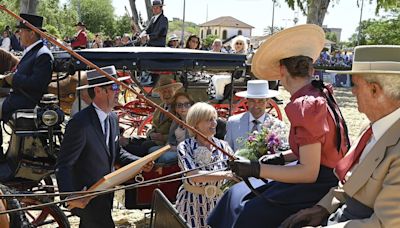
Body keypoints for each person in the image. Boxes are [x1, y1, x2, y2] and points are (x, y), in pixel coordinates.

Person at [208, 24, 350, 227]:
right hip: (325, 175)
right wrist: (282, 157)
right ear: (311, 69)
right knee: (237, 192)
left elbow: (308, 172)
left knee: (246, 209)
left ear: (282, 70)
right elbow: (318, 147)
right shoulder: (320, 94)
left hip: (319, 183)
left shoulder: (305, 105)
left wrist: (257, 169)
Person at [281, 45, 400, 227]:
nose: (352, 92)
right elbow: (351, 183)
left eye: (355, 84)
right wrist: (322, 208)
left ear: (374, 90)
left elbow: (385, 224)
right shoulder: (371, 127)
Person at [55, 66, 153, 227]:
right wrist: (69, 196)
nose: (119, 91)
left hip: (106, 194)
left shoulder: (113, 118)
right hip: (86, 196)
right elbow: (63, 164)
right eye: (114, 87)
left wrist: (141, 162)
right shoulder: (80, 123)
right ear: (99, 90)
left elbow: (116, 152)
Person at [175, 102, 235, 228]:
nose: (214, 123)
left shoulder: (224, 146)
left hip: (217, 204)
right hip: (192, 204)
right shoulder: (185, 147)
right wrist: (226, 175)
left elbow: (236, 170)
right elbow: (194, 176)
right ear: (196, 124)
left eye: (214, 119)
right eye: (209, 120)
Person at [0, 14, 54, 123]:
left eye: (21, 31)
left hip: (25, 101)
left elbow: (38, 83)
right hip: (18, 97)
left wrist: (13, 79)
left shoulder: (43, 54)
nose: (19, 34)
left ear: (32, 33)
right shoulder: (32, 52)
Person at [123, 78, 182, 156]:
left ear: (175, 92)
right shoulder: (160, 107)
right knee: (133, 140)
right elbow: (153, 126)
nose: (166, 94)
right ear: (159, 94)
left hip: (167, 143)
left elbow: (180, 134)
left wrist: (162, 137)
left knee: (143, 146)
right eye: (163, 92)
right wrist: (151, 134)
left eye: (170, 91)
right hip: (154, 139)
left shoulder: (179, 109)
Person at [225, 80, 279, 152]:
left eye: (260, 101)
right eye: (252, 101)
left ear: (267, 101)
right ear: (246, 101)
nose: (256, 105)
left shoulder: (277, 126)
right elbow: (227, 151)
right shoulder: (232, 123)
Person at [147, 92, 194, 165]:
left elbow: (193, 145)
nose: (183, 108)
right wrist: (168, 146)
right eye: (179, 105)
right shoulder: (176, 120)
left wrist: (175, 148)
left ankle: (160, 172)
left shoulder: (194, 121)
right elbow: (171, 138)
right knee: (151, 150)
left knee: (164, 157)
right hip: (174, 147)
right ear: (175, 108)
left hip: (186, 151)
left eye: (187, 104)